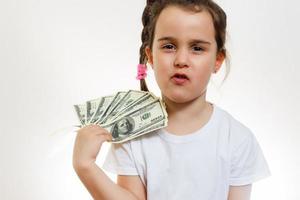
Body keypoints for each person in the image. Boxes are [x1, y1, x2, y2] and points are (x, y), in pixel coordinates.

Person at [72, 0, 271, 199]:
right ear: (150, 56)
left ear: (217, 60)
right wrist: (85, 167)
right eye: (169, 46)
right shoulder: (132, 137)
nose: (181, 60)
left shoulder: (236, 140)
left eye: (197, 48)